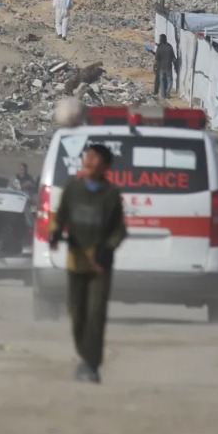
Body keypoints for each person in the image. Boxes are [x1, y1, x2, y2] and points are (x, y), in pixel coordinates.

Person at [49, 143, 126, 384]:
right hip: (76, 260)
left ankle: (91, 364)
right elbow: (60, 216)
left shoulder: (110, 194)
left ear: (106, 165)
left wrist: (108, 248)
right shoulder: (73, 189)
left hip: (99, 265)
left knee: (95, 314)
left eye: (95, 158)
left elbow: (119, 230)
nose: (89, 161)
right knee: (77, 313)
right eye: (87, 156)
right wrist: (55, 234)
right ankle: (84, 356)